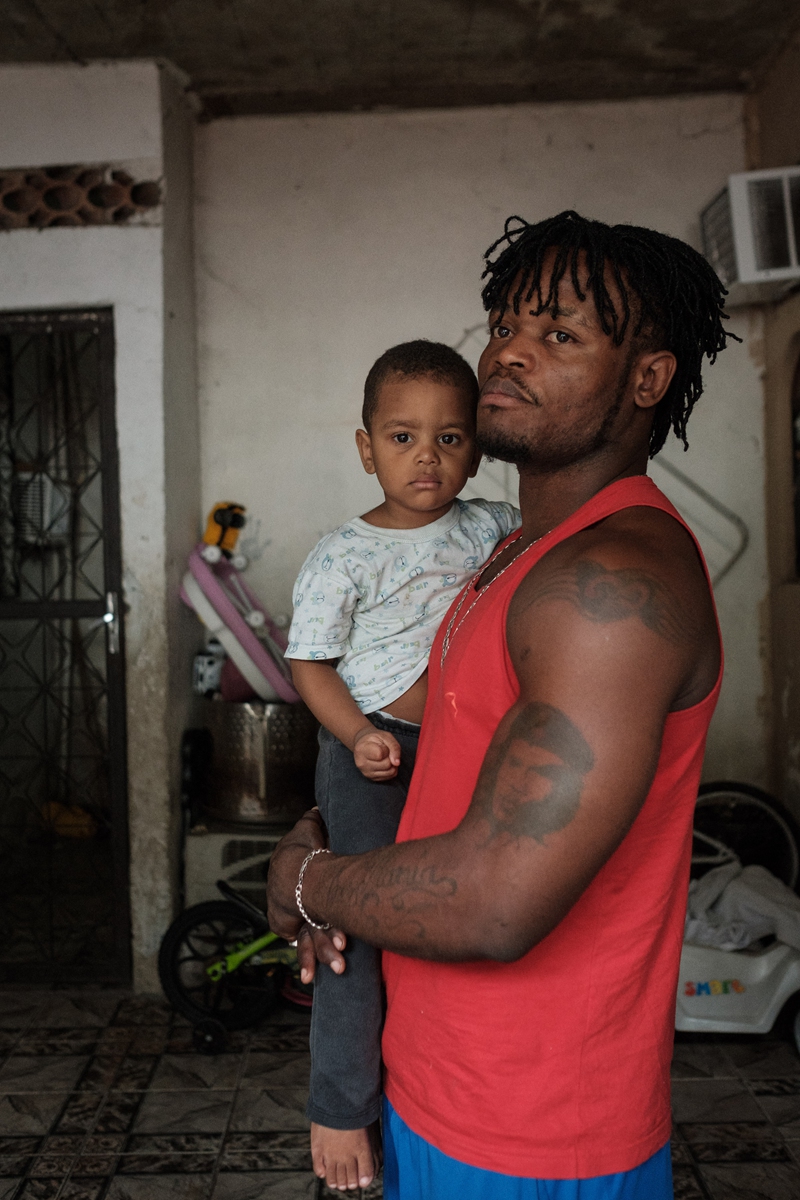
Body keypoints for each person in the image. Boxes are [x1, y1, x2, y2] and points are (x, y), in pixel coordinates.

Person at [269, 210, 736, 1198]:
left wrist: (308, 883)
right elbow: (446, 766)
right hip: (435, 1080)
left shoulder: (611, 581)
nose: (509, 354)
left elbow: (495, 899)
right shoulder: (508, 553)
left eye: (560, 335)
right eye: (505, 325)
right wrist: (337, 823)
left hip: (529, 1129)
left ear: (645, 379)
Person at [284, 339, 520, 1191]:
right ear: (365, 447)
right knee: (356, 932)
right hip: (373, 751)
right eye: (402, 437)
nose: (428, 457)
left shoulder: (493, 524)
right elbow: (308, 663)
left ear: (477, 448)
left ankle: (449, 1099)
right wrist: (354, 735)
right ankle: (342, 1106)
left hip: (465, 751)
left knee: (463, 916)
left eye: (451, 439)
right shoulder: (343, 555)